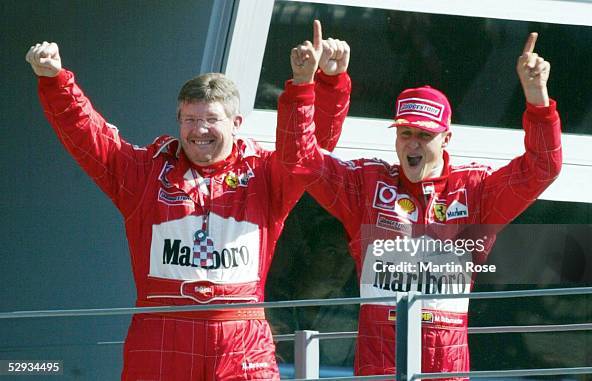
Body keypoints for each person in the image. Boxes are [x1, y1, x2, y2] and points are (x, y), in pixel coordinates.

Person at [25, 29, 350, 381]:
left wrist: (323, 84)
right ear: (178, 122)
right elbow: (90, 137)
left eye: (211, 119)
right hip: (161, 333)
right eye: (191, 120)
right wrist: (56, 81)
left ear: (236, 124)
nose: (200, 130)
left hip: (240, 338)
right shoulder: (146, 174)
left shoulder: (265, 176)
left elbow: (306, 151)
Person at [277, 28, 561, 379]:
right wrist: (313, 84)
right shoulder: (366, 185)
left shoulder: (476, 189)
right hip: (379, 359)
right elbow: (299, 160)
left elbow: (541, 168)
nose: (413, 145)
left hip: (445, 362)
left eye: (424, 136)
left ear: (446, 138)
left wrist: (538, 101)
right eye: (405, 133)